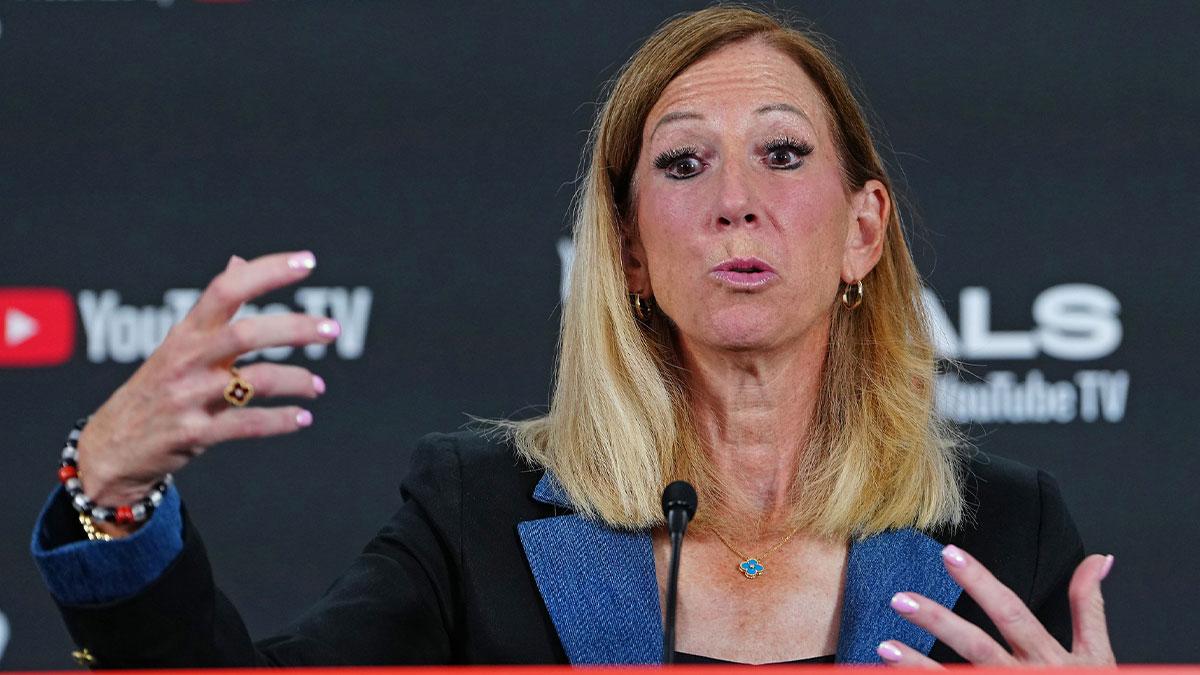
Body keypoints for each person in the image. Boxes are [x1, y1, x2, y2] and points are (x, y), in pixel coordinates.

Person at [32, 5, 1116, 667]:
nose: (735, 201)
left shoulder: (1005, 532)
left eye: (782, 155)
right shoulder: (479, 515)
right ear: (633, 254)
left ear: (863, 231)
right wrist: (112, 501)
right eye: (683, 164)